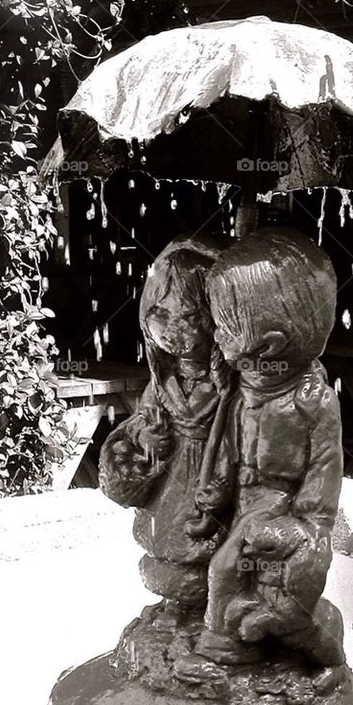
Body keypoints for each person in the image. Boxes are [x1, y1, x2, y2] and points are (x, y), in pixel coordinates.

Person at [176, 226, 346, 681]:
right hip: (243, 508)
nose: (214, 334)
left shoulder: (312, 404)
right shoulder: (241, 388)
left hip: (277, 516)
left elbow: (322, 485)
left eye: (225, 328)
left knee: (225, 569)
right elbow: (225, 446)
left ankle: (222, 649)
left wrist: (302, 528)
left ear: (267, 345)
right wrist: (216, 489)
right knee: (211, 564)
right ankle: (240, 632)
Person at [99, 232, 229, 613]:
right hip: (170, 489)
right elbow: (142, 419)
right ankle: (180, 609)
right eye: (163, 314)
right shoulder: (163, 382)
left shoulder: (230, 382)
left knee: (221, 565)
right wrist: (145, 436)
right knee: (167, 566)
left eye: (189, 316)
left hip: (214, 484)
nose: (174, 330)